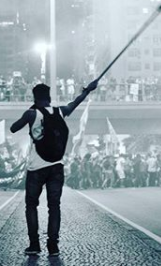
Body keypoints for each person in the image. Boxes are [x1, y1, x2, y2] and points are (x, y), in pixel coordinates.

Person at [10, 79, 98, 257]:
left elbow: (13, 128)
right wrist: (87, 91)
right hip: (56, 166)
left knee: (31, 205)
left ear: (35, 98)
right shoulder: (60, 111)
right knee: (54, 206)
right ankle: (53, 246)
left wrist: (31, 110)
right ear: (49, 98)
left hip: (36, 167)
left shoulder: (31, 114)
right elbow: (75, 103)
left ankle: (34, 245)